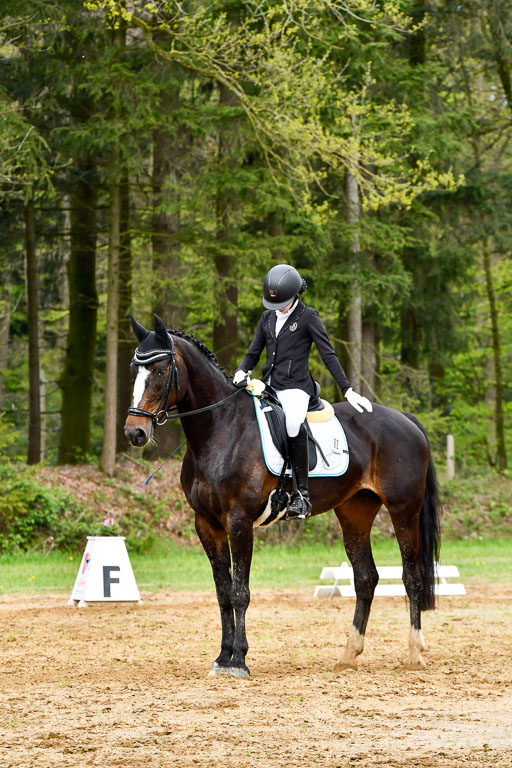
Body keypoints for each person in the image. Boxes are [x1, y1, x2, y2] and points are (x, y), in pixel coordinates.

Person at [233, 264, 373, 519]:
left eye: (283, 303)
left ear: (295, 295)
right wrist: (242, 370)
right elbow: (254, 352)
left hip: (296, 388)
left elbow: (328, 354)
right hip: (269, 386)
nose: (279, 309)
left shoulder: (308, 316)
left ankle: (302, 495)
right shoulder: (267, 318)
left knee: (293, 425)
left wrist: (348, 390)